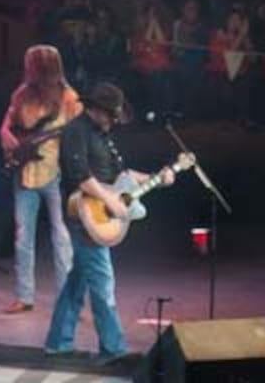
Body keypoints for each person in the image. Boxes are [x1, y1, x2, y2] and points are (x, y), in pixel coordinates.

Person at [44, 83, 173, 361]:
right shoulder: (75, 132)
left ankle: (58, 342)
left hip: (100, 210)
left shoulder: (104, 135)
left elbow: (122, 174)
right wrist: (110, 199)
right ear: (95, 109)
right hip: (85, 212)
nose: (114, 121)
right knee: (103, 280)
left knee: (78, 280)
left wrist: (156, 177)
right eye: (110, 115)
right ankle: (113, 349)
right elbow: (80, 175)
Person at [0, 45, 81, 314]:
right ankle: (24, 296)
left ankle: (68, 299)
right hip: (24, 173)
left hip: (55, 174)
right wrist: (9, 141)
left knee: (62, 237)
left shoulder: (68, 97)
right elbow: (5, 126)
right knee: (23, 236)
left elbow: (80, 131)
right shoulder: (21, 95)